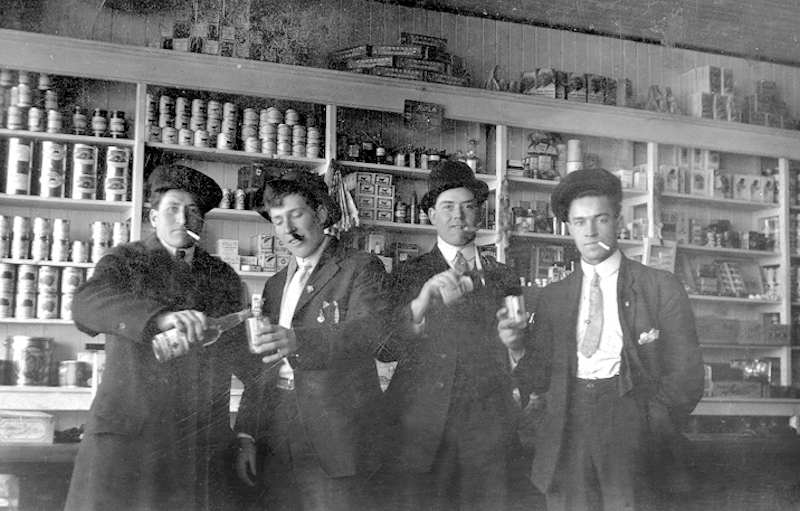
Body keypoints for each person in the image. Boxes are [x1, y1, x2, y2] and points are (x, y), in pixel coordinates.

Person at [65, 164, 259, 511]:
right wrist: (161, 319)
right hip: (130, 439)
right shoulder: (125, 260)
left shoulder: (223, 277)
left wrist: (246, 433)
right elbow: (85, 305)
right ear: (153, 218)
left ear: (202, 223)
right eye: (172, 208)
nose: (182, 218)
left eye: (193, 211)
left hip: (194, 443)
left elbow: (249, 363)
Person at [515, 168, 704, 511]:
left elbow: (688, 374)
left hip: (631, 420)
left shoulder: (659, 287)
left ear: (617, 221)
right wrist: (515, 347)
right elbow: (537, 376)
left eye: (600, 219)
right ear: (569, 227)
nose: (590, 232)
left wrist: (652, 420)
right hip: (566, 425)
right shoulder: (553, 297)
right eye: (580, 222)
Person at [380, 160, 535, 510]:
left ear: (479, 215)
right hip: (422, 427)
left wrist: (516, 344)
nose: (458, 216)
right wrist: (421, 303)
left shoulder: (503, 276)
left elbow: (519, 349)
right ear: (431, 216)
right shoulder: (409, 273)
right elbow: (385, 349)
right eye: (447, 208)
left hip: (487, 428)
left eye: (467, 207)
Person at [234, 170, 391, 511]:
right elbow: (263, 365)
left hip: (335, 432)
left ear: (320, 214)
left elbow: (371, 332)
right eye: (277, 221)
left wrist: (299, 341)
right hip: (276, 426)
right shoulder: (276, 284)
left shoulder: (360, 267)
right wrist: (246, 432)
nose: (287, 231)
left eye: (296, 215)